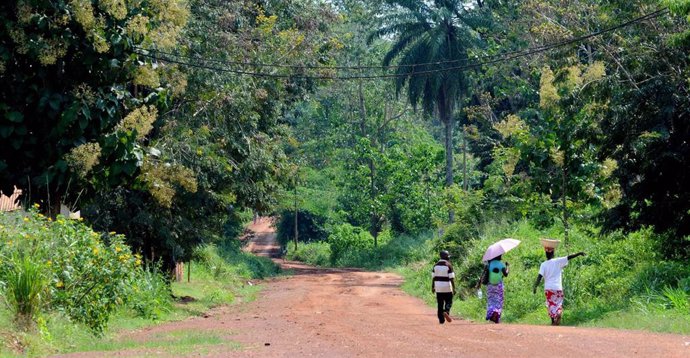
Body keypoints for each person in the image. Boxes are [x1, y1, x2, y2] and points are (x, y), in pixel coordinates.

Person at [533, 239, 585, 325]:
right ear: (553, 253)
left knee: (550, 304)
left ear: (546, 253)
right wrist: (579, 253)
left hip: (548, 288)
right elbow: (569, 257)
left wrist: (535, 286)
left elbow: (539, 277)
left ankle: (553, 321)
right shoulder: (558, 261)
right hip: (558, 288)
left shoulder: (543, 264)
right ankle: (558, 313)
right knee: (558, 304)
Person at [477, 255, 509, 323]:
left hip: (490, 285)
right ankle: (497, 313)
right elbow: (505, 274)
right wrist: (507, 267)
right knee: (499, 300)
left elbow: (483, 274)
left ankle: (491, 313)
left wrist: (479, 283)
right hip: (499, 286)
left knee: (491, 300)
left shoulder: (489, 264)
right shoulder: (501, 264)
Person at [432, 250, 455, 324]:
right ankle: (446, 311)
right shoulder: (448, 265)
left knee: (440, 303)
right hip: (447, 287)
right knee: (449, 301)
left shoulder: (435, 265)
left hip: (438, 287)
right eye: (448, 256)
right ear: (445, 257)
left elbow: (433, 277)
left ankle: (441, 320)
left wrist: (433, 287)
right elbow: (451, 278)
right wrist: (454, 288)